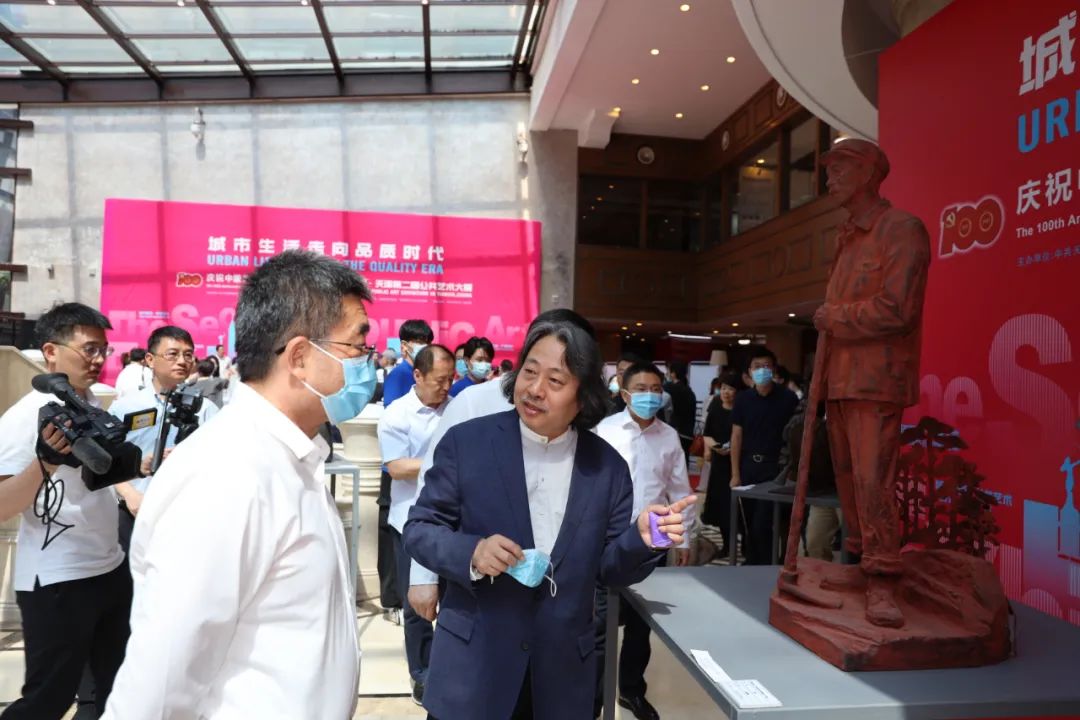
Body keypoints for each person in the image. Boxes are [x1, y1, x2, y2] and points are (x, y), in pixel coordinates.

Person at [102, 251, 368, 718]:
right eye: (356, 347)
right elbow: (157, 681)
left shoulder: (291, 457)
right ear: (300, 357)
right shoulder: (227, 473)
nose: (366, 364)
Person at [404, 316, 695, 720]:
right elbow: (420, 528)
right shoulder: (469, 443)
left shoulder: (606, 467)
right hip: (475, 667)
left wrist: (644, 539)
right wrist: (472, 552)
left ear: (583, 396)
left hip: (560, 676)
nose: (535, 389)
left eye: (555, 381)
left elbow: (609, 568)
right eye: (530, 372)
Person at [813, 138, 930, 627]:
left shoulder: (901, 229)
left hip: (876, 380)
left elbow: (898, 310)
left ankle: (883, 578)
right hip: (840, 381)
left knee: (872, 481)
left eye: (839, 170)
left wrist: (834, 318)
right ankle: (861, 565)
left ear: (867, 174)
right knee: (847, 480)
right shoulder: (847, 238)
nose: (830, 180)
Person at [0, 303, 131, 719]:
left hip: (109, 566)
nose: (98, 359)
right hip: (57, 578)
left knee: (116, 691)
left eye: (103, 350)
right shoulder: (25, 417)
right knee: (49, 699)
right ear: (51, 352)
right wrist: (45, 462)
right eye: (89, 349)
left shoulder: (89, 403)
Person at [594, 362, 695, 720]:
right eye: (641, 388)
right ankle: (593, 695)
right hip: (607, 538)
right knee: (599, 620)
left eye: (655, 389)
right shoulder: (604, 431)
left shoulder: (669, 437)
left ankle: (631, 690)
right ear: (624, 393)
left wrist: (684, 539)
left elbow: (679, 489)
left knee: (641, 624)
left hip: (652, 538)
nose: (649, 395)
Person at [377, 345, 454, 706]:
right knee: (417, 605)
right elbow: (396, 467)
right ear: (418, 376)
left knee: (453, 601)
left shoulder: (457, 408)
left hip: (453, 524)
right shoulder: (397, 414)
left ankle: (450, 666)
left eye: (451, 379)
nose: (446, 387)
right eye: (440, 380)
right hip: (410, 521)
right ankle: (421, 673)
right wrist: (446, 462)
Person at [108, 326, 219, 551]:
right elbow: (107, 460)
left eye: (188, 355)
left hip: (186, 516)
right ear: (150, 359)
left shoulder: (206, 409)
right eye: (173, 354)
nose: (182, 361)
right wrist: (129, 495)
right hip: (134, 512)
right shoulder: (125, 407)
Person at [379, 319, 435, 621]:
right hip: (399, 473)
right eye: (418, 342)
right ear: (404, 346)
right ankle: (395, 601)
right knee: (395, 544)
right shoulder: (400, 376)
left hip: (423, 482)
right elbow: (394, 417)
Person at [730, 347, 799, 565]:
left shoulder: (788, 398)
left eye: (767, 366)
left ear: (774, 369)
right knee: (749, 521)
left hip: (775, 469)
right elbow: (736, 436)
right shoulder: (743, 399)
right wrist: (735, 473)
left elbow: (795, 435)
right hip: (749, 466)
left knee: (764, 522)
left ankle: (764, 565)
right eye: (757, 366)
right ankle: (753, 561)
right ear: (749, 371)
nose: (762, 370)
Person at [701, 373, 740, 551]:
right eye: (723, 388)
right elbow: (707, 434)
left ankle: (744, 544)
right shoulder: (716, 406)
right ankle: (726, 545)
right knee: (720, 505)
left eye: (730, 389)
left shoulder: (741, 409)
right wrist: (713, 447)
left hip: (737, 462)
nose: (726, 392)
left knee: (735, 505)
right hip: (719, 462)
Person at [383, 320, 434, 408]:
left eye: (428, 342)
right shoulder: (397, 376)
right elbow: (391, 411)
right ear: (404, 346)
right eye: (420, 342)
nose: (425, 346)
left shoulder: (429, 373)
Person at [662, 360, 697, 455]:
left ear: (673, 373)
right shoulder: (690, 391)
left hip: (675, 432)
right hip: (688, 434)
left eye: (668, 371)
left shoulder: (669, 388)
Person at [606, 352, 644, 416]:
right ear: (616, 374)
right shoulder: (608, 405)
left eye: (630, 373)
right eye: (621, 373)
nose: (625, 378)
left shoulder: (647, 403)